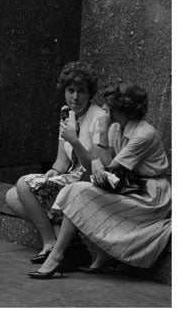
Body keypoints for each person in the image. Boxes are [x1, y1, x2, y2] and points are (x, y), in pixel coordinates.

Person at [29, 80, 171, 279]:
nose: (103, 111)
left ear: (121, 109)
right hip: (128, 185)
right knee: (77, 190)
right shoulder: (115, 128)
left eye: (108, 108)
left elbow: (108, 169)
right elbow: (103, 165)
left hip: (150, 195)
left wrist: (99, 150)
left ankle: (57, 256)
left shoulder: (144, 134)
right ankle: (76, 254)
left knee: (79, 191)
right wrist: (103, 138)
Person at [5, 62, 109, 264]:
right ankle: (59, 238)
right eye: (71, 91)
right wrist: (52, 172)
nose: (75, 97)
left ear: (90, 93)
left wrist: (74, 140)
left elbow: (92, 167)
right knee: (11, 196)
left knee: (22, 185)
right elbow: (62, 160)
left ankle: (50, 244)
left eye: (81, 91)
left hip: (86, 180)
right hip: (70, 176)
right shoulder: (66, 113)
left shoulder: (99, 117)